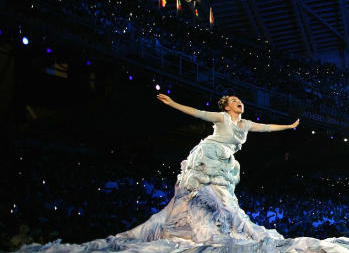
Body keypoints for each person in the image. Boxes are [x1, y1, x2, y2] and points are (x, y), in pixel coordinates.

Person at [119, 94, 299, 243]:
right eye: (234, 100)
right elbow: (198, 113)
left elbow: (266, 128)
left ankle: (214, 227)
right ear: (227, 107)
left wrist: (289, 126)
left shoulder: (245, 124)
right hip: (209, 155)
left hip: (225, 161)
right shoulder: (222, 118)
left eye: (240, 101)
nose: (239, 102)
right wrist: (173, 103)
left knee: (223, 200)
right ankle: (201, 229)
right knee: (209, 196)